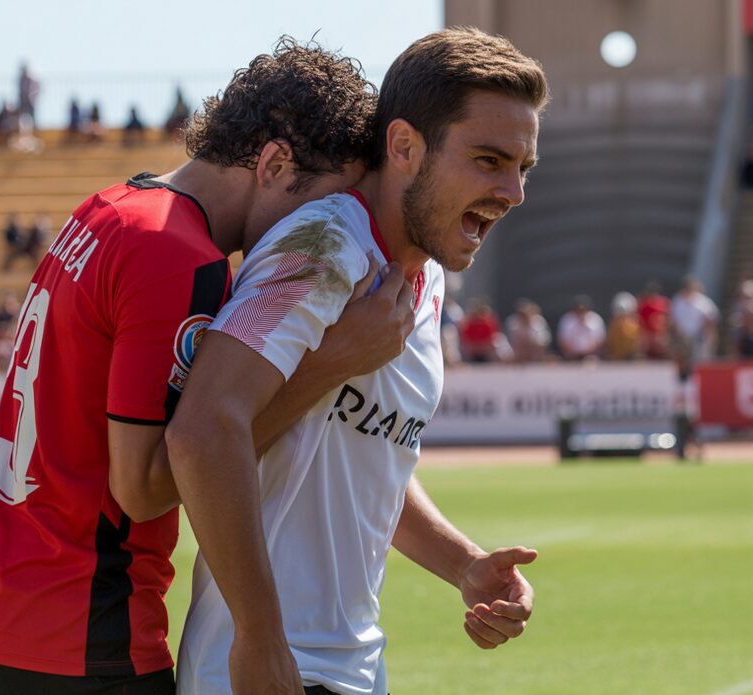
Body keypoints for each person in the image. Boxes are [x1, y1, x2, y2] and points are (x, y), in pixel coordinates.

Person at [0, 38, 409, 695]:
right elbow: (146, 485)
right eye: (323, 202)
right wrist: (331, 363)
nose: (323, 229)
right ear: (273, 163)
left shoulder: (110, 206)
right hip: (77, 635)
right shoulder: (180, 256)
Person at [169, 27, 547, 695]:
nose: (513, 190)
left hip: (352, 667)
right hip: (263, 669)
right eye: (489, 159)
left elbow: (364, 459)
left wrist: (464, 564)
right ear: (403, 146)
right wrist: (260, 640)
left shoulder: (422, 278)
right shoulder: (326, 247)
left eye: (523, 167)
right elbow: (201, 431)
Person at [670, 276, 719, 363]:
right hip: (682, 338)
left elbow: (711, 318)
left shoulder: (702, 301)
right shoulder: (677, 300)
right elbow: (673, 319)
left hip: (699, 338)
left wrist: (706, 335)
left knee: (699, 361)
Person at [557, 295, 606, 361]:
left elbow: (599, 342)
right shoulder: (567, 320)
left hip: (592, 357)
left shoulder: (596, 320)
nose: (581, 313)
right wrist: (574, 354)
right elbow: (563, 342)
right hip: (571, 357)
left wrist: (588, 354)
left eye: (583, 310)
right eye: (578, 310)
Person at [459, 298, 508, 362]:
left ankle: (502, 361)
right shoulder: (469, 323)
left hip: (486, 348)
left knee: (500, 338)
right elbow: (466, 339)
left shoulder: (488, 322)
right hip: (473, 349)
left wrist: (482, 347)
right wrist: (476, 347)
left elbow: (490, 339)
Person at [605, 291, 643, 360]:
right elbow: (610, 343)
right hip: (617, 359)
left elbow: (638, 344)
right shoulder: (613, 326)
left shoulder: (635, 326)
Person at [638, 281, 671, 359]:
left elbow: (667, 318)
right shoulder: (644, 304)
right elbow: (641, 319)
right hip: (648, 334)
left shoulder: (663, 302)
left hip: (661, 333)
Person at [18, 62, 40, 134]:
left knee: (32, 115)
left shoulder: (32, 78)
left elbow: (36, 89)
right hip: (23, 99)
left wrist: (31, 96)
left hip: (30, 100)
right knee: (21, 115)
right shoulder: (20, 78)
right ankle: (21, 130)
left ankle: (35, 129)